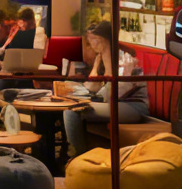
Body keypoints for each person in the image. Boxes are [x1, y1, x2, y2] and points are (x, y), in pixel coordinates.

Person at [61, 21, 149, 156]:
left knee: (72, 111)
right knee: (69, 106)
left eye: (92, 39)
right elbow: (91, 87)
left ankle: (78, 156)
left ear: (101, 39)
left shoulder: (125, 59)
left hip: (134, 106)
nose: (91, 44)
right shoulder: (101, 59)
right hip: (115, 103)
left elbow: (113, 93)